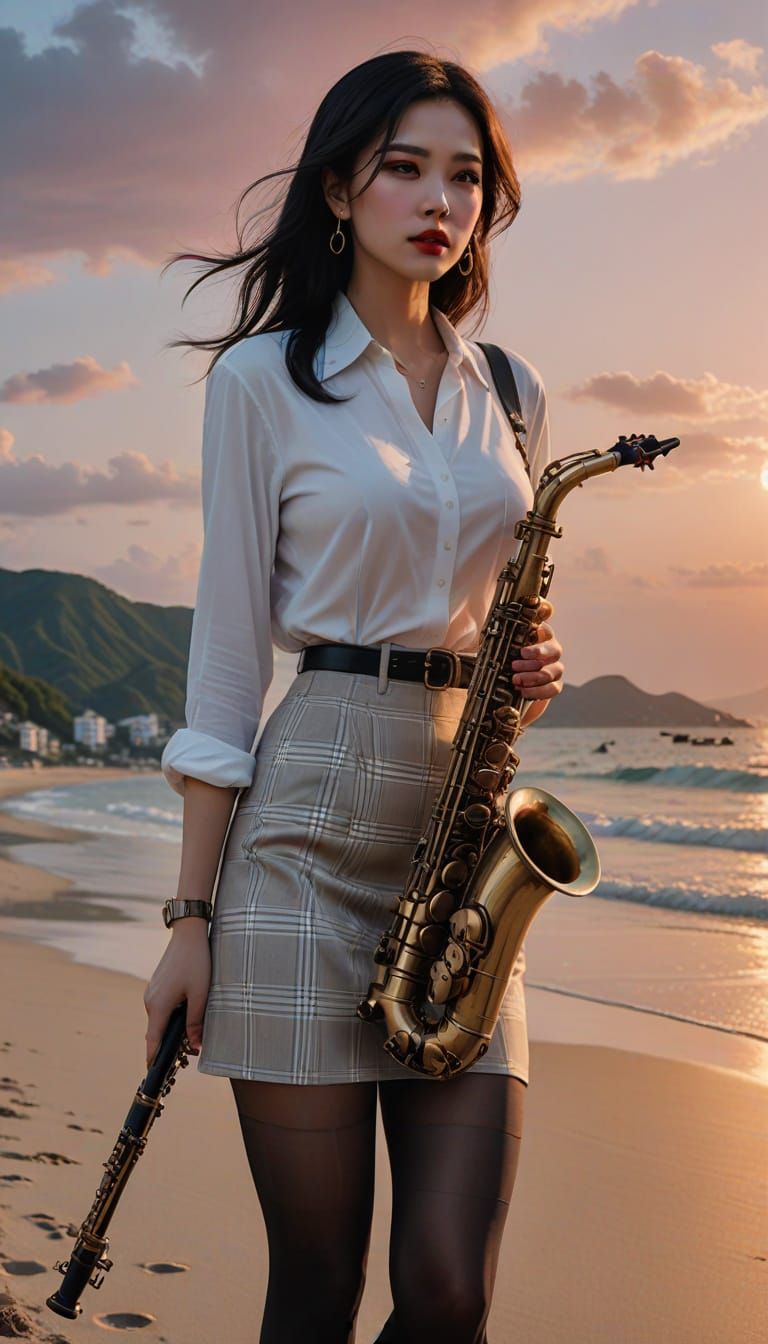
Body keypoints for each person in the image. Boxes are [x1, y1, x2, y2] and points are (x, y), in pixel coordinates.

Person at [145, 50, 564, 1344]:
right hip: (301, 847)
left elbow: (494, 614)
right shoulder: (261, 381)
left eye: (468, 177)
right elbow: (227, 652)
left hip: (460, 850)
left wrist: (529, 670)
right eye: (405, 168)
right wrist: (189, 917)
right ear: (340, 188)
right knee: (317, 1292)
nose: (441, 200)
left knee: (448, 1294)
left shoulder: (514, 395)